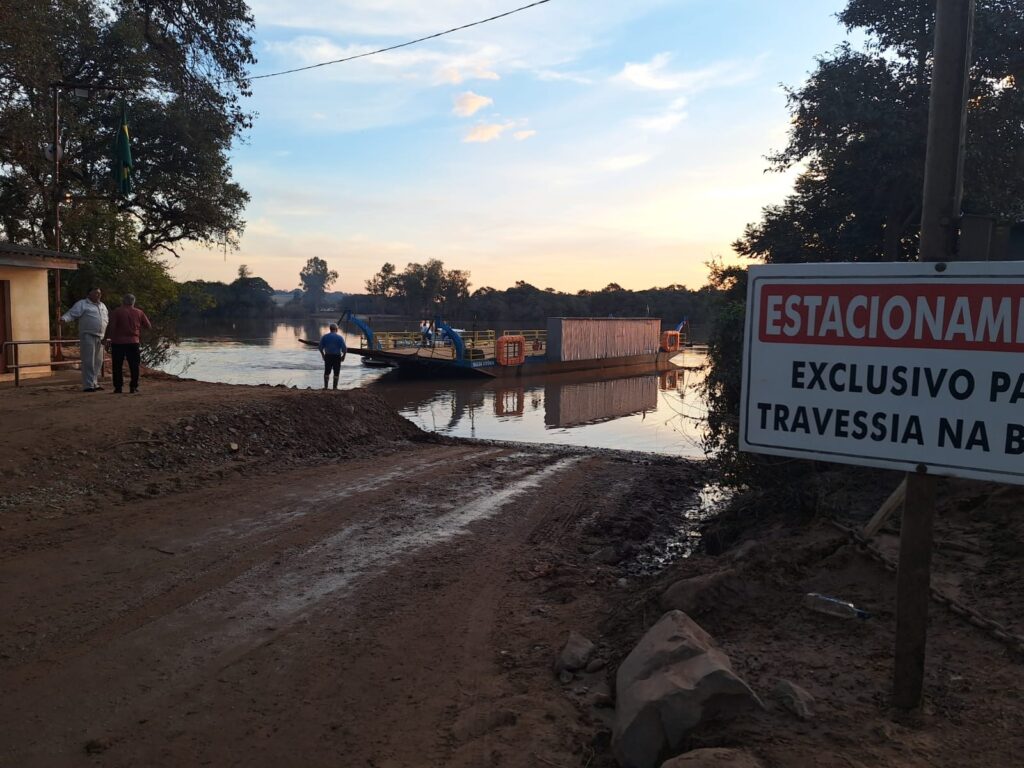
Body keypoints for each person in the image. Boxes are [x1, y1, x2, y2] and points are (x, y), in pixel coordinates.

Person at [61, 287, 109, 392]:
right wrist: (64, 319)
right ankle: (88, 385)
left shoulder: (103, 306)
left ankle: (94, 383)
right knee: (88, 361)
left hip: (100, 336)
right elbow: (72, 313)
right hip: (88, 335)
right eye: (96, 293)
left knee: (98, 361)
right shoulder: (82, 304)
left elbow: (106, 320)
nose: (98, 295)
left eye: (99, 293)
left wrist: (106, 335)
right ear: (89, 294)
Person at [103, 294, 152, 394]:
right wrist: (138, 328)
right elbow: (148, 326)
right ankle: (133, 386)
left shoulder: (117, 312)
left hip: (118, 342)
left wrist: (107, 339)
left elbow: (111, 327)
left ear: (123, 301)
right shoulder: (139, 312)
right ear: (133, 302)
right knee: (134, 366)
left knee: (117, 366)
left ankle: (118, 387)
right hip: (133, 342)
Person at [318, 323, 347, 390]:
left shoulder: (324, 337)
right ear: (336, 329)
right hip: (337, 357)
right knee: (336, 372)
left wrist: (323, 355)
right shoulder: (340, 337)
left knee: (327, 371)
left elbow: (320, 347)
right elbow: (344, 349)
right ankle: (335, 387)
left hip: (328, 356)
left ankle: (326, 387)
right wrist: (343, 356)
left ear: (330, 329)